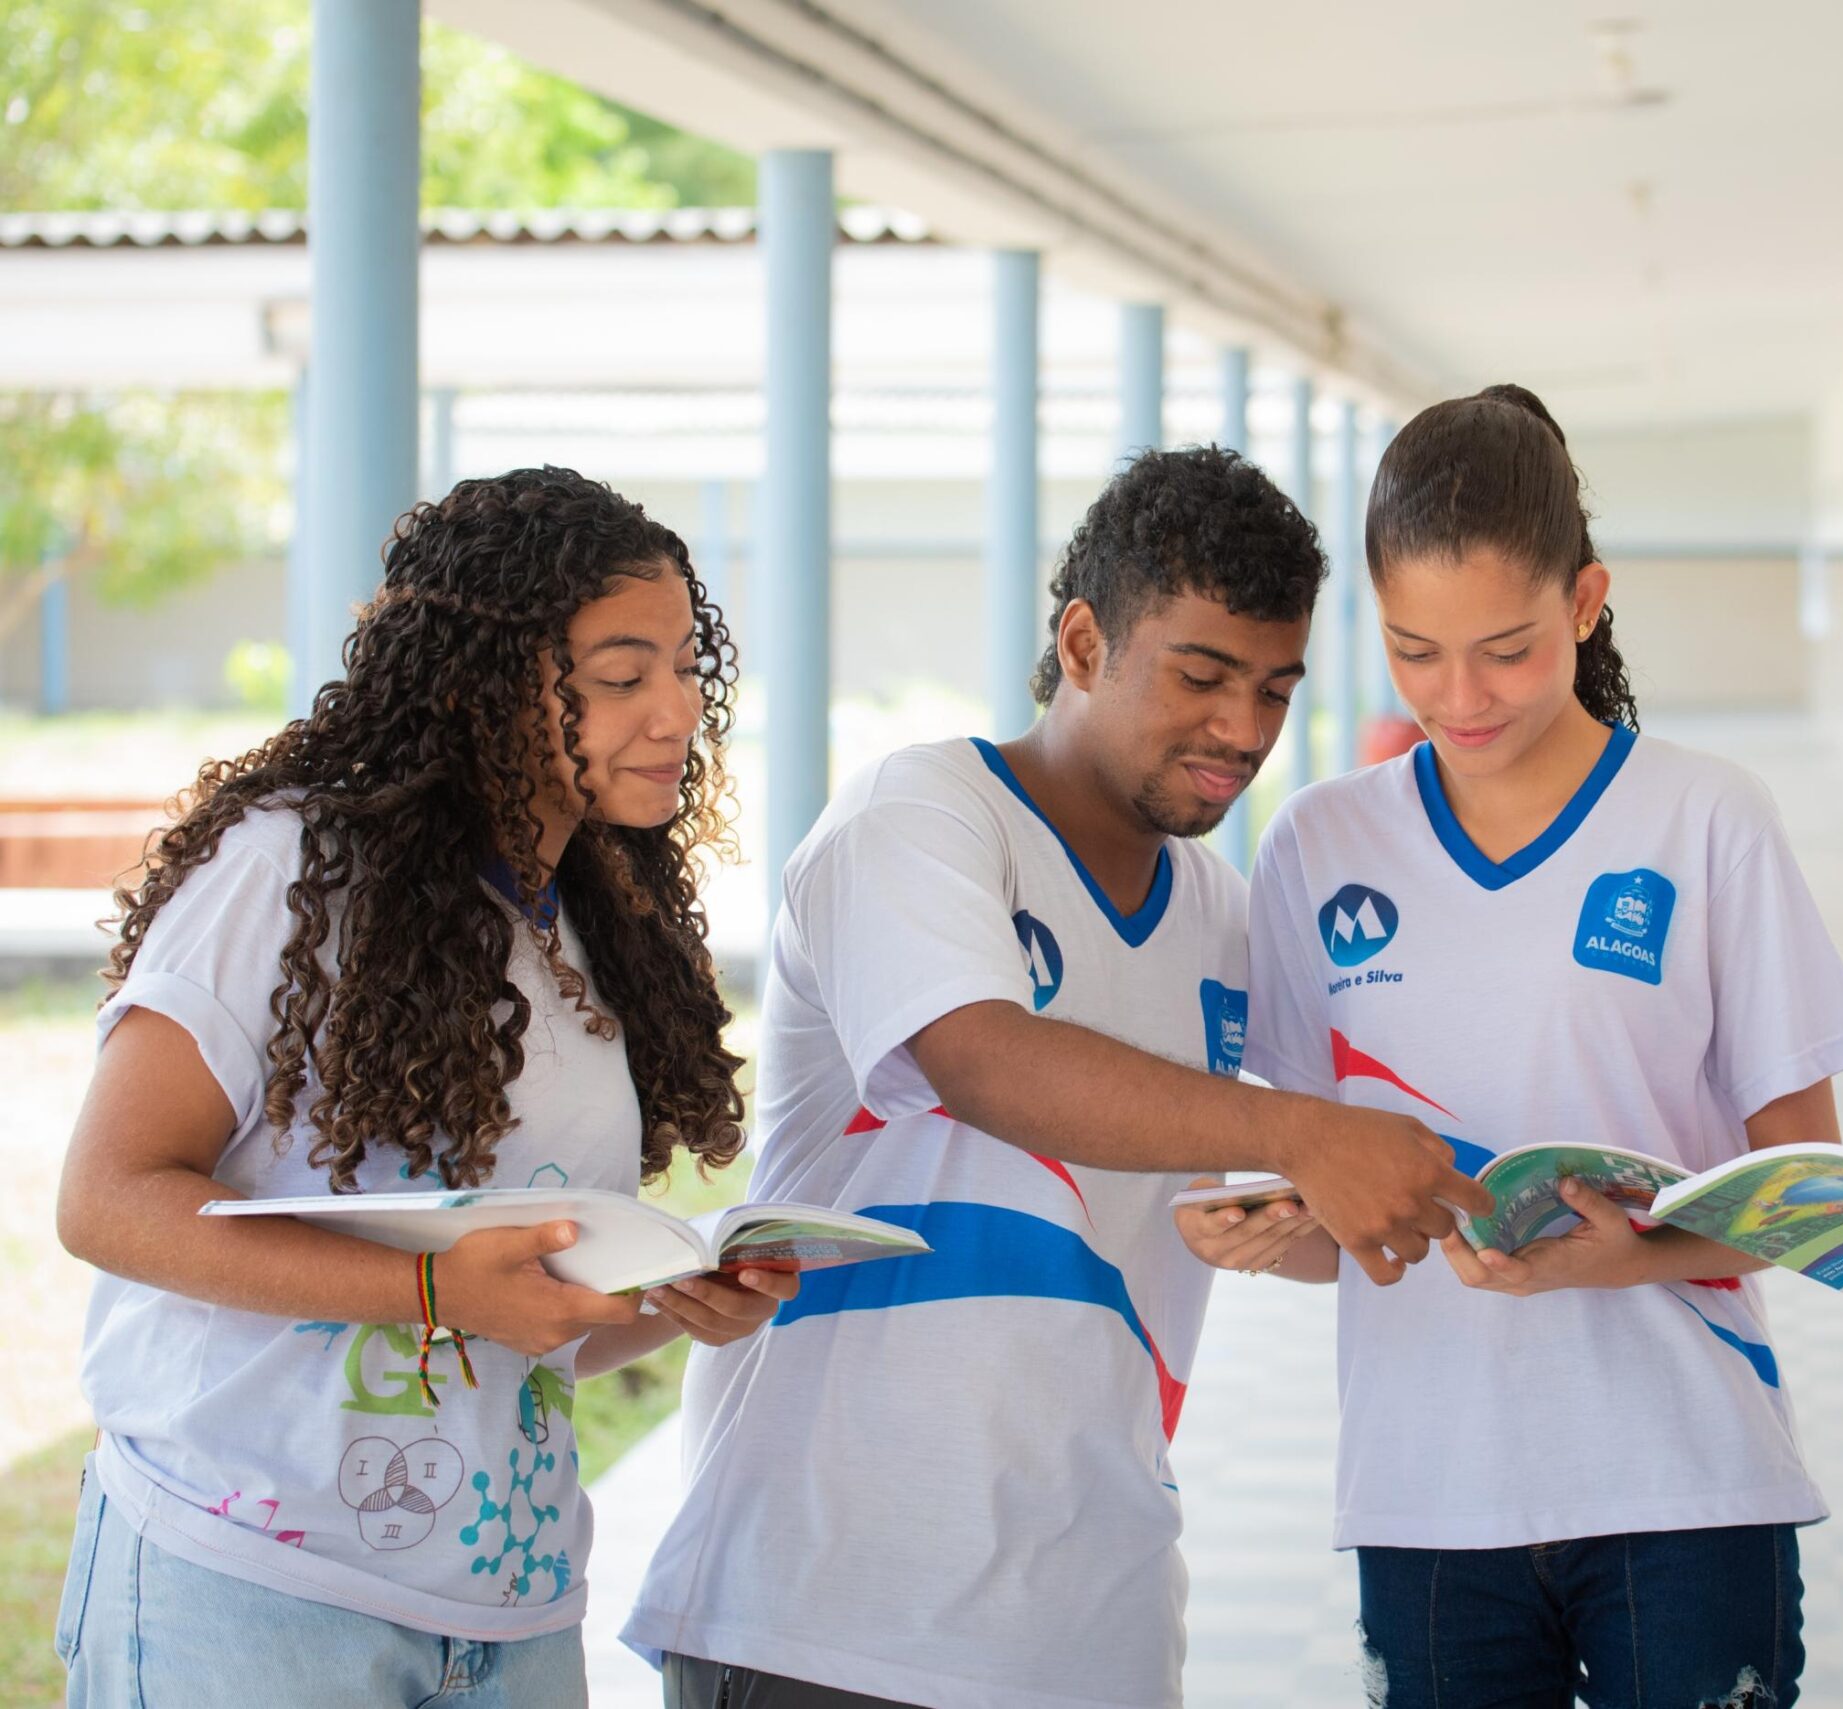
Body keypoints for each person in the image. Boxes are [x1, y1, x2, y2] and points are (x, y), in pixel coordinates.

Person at [625, 445, 1490, 1709]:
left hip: (1094, 1627)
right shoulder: (919, 818)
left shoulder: (1230, 922)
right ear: (1083, 642)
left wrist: (1383, 1208)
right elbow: (978, 1055)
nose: (1242, 730)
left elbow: (1270, 1212)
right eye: (1201, 676)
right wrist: (1303, 1131)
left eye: (1273, 688)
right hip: (829, 1613)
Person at [1179, 386, 1843, 1709]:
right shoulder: (1319, 844)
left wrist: (1640, 1255)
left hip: (1685, 1479)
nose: (1461, 695)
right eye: (1414, 652)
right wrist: (1278, 1235)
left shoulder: (1706, 821)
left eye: (1503, 647)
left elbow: (1820, 1204)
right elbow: (1349, 1217)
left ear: (1586, 600)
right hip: (1430, 1495)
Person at [52, 467, 792, 1707]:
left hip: (507, 1607)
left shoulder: (596, 918)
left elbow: (525, 1314)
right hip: (249, 1590)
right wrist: (430, 1288)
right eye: (621, 676)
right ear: (481, 688)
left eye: (682, 667)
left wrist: (677, 1300)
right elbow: (107, 1201)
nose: (675, 712)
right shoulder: (288, 871)